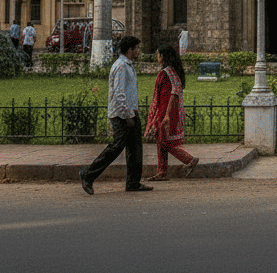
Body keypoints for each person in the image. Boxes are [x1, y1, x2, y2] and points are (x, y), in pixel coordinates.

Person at [80, 36, 153, 194]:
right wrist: (127, 115)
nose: (139, 51)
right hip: (122, 115)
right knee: (117, 147)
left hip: (130, 112)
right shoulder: (121, 66)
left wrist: (132, 112)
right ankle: (87, 175)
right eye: (137, 48)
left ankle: (133, 182)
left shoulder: (128, 65)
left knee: (135, 149)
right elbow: (119, 94)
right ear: (130, 50)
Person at [144, 43, 198, 180]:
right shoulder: (173, 72)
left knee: (164, 142)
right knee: (161, 140)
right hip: (169, 111)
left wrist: (164, 116)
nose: (157, 57)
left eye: (158, 54)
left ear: (162, 56)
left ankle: (189, 160)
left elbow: (170, 96)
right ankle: (161, 172)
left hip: (166, 112)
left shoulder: (165, 73)